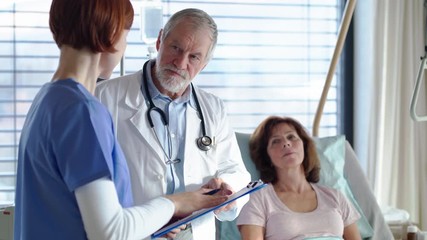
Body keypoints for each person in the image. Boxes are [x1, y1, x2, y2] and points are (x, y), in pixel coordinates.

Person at [13, 1, 228, 239]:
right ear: (112, 35)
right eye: (125, 36)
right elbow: (111, 231)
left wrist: (150, 218)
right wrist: (175, 203)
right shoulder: (82, 111)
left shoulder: (47, 98)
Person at [95, 8, 251, 240]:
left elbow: (235, 169)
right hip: (135, 231)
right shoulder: (105, 97)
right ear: (160, 41)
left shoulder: (213, 108)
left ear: (205, 63)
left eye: (194, 57)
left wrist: (226, 188)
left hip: (196, 231)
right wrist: (152, 216)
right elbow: (94, 182)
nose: (180, 62)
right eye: (175, 48)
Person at [237, 116, 362, 240]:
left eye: (291, 137)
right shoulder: (258, 199)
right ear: (266, 156)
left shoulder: (335, 197)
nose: (286, 143)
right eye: (275, 141)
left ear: (304, 145)